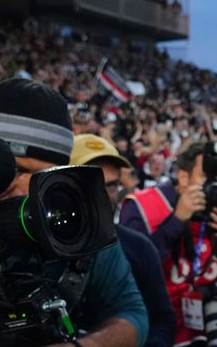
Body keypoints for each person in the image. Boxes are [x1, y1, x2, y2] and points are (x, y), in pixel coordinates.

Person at [0, 78, 148, 346]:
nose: (24, 189)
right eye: (17, 169)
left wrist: (84, 346)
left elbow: (132, 314)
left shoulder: (80, 227)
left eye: (42, 177)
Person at [119, 143, 217, 346]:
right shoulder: (142, 206)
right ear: (183, 177)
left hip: (212, 328)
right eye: (206, 177)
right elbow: (131, 274)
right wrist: (176, 221)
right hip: (162, 332)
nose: (214, 186)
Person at [70, 134, 178, 347]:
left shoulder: (138, 247)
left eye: (111, 185)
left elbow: (162, 320)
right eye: (92, 183)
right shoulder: (34, 248)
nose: (105, 195)